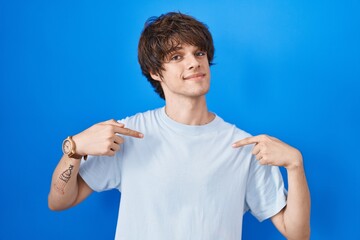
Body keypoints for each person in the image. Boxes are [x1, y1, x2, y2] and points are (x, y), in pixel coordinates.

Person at [48, 12, 310, 240]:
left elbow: (296, 233)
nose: (194, 62)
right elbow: (60, 200)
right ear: (154, 71)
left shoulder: (244, 146)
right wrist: (74, 148)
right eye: (176, 56)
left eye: (199, 53)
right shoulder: (129, 134)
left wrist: (295, 166)